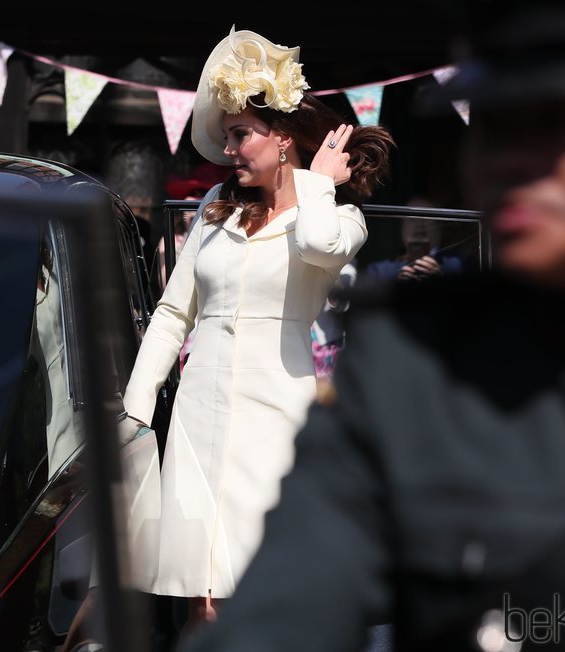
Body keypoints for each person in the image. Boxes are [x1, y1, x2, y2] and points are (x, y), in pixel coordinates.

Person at [179, 2, 565, 650]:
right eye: (494, 124)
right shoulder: (412, 362)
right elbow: (286, 610)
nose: (509, 159)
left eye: (558, 120)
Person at [120, 25, 393, 629]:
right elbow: (173, 311)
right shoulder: (215, 207)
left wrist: (317, 184)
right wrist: (136, 406)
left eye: (241, 134)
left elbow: (320, 245)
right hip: (198, 417)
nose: (229, 149)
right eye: (227, 137)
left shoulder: (342, 217)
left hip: (277, 418)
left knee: (257, 590)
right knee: (202, 597)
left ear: (285, 138)